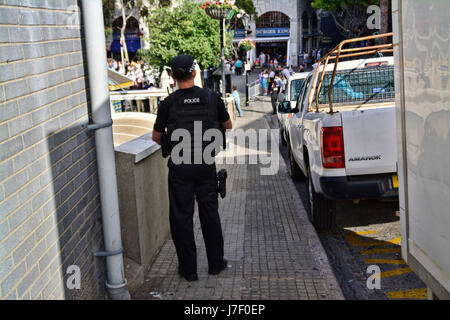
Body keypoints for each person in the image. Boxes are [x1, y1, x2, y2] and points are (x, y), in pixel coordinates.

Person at [152, 55, 231, 282]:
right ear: (194, 73)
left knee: (181, 219)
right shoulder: (211, 97)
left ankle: (189, 271)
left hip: (180, 170)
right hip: (205, 167)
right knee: (210, 216)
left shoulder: (168, 103)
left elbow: (156, 137)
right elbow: (228, 125)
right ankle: (216, 264)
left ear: (173, 77)